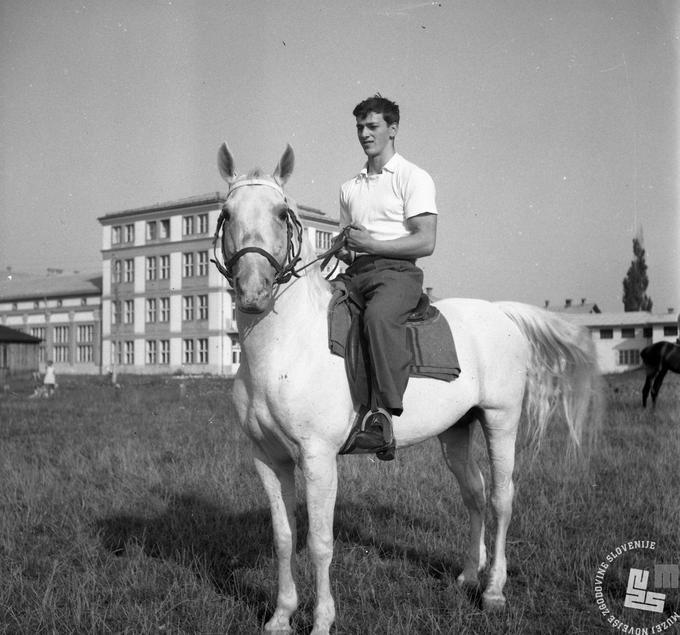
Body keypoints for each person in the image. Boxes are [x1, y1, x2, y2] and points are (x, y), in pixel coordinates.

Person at [336, 94, 438, 460]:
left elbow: (426, 240)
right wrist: (346, 248)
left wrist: (372, 243)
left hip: (397, 275)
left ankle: (382, 416)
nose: (364, 133)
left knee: (378, 317)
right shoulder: (350, 188)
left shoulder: (413, 177)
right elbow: (351, 242)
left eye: (372, 126)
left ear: (392, 129)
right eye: (360, 127)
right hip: (356, 272)